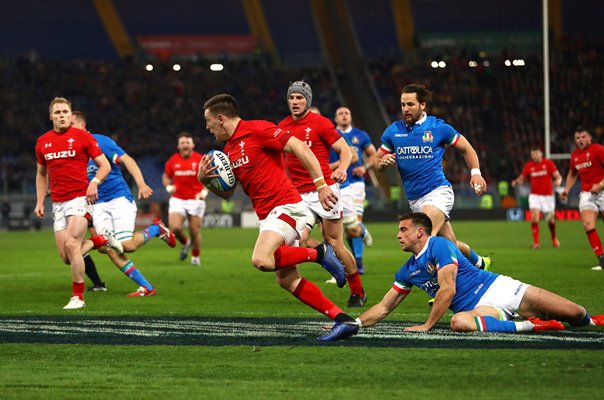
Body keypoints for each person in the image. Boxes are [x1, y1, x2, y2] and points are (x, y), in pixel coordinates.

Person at [198, 93, 358, 334]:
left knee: (261, 259)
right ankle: (343, 319)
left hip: (286, 207)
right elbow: (229, 194)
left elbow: (298, 146)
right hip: (268, 216)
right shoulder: (229, 150)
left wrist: (320, 184)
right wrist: (205, 181)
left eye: (208, 122)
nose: (208, 128)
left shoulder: (257, 129)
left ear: (221, 118)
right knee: (287, 279)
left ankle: (319, 253)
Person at [319, 212, 604, 341]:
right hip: (480, 309)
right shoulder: (406, 270)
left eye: (403, 230)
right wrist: (354, 323)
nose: (397, 235)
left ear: (420, 231)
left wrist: (427, 325)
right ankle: (533, 326)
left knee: (576, 315)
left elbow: (447, 289)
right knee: (459, 321)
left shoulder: (440, 245)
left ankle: (592, 319)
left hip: (501, 288)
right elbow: (384, 306)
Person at [376, 83, 491, 271]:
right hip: (415, 199)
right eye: (403, 104)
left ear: (422, 105)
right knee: (449, 244)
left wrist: (476, 173)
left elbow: (466, 148)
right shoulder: (393, 131)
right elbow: (376, 160)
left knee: (421, 240)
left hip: (438, 192)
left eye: (410, 104)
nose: (405, 109)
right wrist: (381, 163)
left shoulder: (438, 128)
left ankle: (442, 290)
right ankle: (479, 263)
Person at [278, 81, 367, 307]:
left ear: (308, 100)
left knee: (336, 242)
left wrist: (342, 168)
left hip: (324, 190)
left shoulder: (320, 123)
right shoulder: (282, 126)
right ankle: (323, 254)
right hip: (299, 195)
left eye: (299, 98)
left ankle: (357, 291)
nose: (295, 102)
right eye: (291, 98)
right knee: (299, 240)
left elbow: (345, 150)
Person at [72, 111, 176, 296]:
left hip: (118, 198)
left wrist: (141, 184)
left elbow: (128, 160)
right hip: (98, 204)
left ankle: (156, 229)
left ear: (82, 126)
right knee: (107, 248)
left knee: (127, 245)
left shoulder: (100, 142)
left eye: (71, 125)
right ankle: (147, 287)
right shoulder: (74, 153)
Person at [34, 97, 119, 309]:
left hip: (81, 197)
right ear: (51, 116)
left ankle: (77, 297)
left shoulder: (82, 137)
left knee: (72, 244)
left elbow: (105, 166)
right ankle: (101, 239)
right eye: (57, 112)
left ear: (71, 116)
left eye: (65, 112)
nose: (61, 116)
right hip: (58, 202)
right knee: (66, 256)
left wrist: (95, 183)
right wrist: (39, 201)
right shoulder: (43, 141)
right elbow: (41, 174)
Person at [334, 106, 377, 274]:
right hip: (337, 183)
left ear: (350, 117)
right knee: (346, 228)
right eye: (340, 113)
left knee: (354, 223)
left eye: (346, 113)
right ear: (335, 118)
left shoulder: (361, 135)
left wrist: (365, 168)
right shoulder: (330, 134)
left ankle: (358, 263)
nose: (344, 116)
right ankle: (355, 260)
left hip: (356, 184)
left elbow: (374, 155)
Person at [560, 127, 604, 271]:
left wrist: (601, 185)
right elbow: (572, 174)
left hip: (603, 190)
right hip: (587, 193)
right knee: (587, 224)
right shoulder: (575, 156)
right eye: (578, 138)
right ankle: (601, 259)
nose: (581, 140)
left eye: (583, 137)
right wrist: (566, 189)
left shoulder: (598, 150)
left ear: (589, 138)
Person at [163, 132, 208, 266]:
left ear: (193, 145)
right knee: (175, 228)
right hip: (178, 199)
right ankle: (186, 243)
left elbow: (208, 178)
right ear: (178, 146)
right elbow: (166, 176)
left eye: (187, 142)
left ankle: (195, 257)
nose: (185, 145)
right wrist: (168, 187)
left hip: (196, 199)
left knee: (194, 230)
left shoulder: (200, 159)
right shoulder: (173, 160)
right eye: (182, 143)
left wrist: (205, 191)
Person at [511, 146, 563, 249]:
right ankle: (536, 243)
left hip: (548, 196)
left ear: (541, 154)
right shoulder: (529, 166)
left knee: (551, 220)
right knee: (534, 218)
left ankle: (553, 238)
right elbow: (522, 178)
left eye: (535, 154)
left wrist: (558, 182)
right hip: (535, 196)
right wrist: (516, 182)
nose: (534, 156)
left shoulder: (548, 164)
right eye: (532, 154)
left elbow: (558, 176)